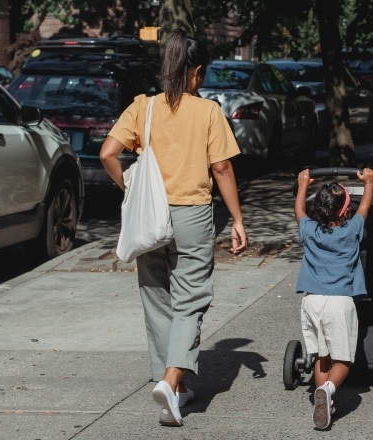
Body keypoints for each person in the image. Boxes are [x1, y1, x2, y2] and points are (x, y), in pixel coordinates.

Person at [100, 30, 247, 427]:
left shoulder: (142, 108)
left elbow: (107, 153)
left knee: (155, 299)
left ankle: (177, 390)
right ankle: (170, 380)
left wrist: (131, 187)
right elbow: (221, 168)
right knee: (190, 300)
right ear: (197, 72)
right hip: (191, 216)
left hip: (150, 216)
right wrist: (236, 219)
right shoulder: (208, 111)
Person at [293, 168, 373, 430]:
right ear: (344, 211)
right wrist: (369, 183)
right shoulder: (351, 231)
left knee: (322, 355)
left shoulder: (309, 230)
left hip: (312, 301)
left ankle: (324, 402)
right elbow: (365, 208)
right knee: (343, 358)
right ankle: (328, 389)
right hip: (339, 301)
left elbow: (299, 211)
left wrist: (302, 184)